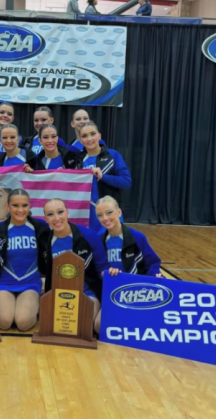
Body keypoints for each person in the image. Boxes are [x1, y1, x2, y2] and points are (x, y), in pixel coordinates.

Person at [37, 198, 109, 333]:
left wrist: (109, 297)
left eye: (60, 212)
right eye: (50, 214)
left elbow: (102, 267)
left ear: (67, 213)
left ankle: (97, 309)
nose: (56, 218)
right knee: (55, 327)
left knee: (80, 326)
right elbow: (43, 269)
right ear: (45, 218)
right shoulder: (45, 241)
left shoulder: (88, 236)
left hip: (87, 293)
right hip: (60, 294)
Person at [93, 196, 163, 334]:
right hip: (112, 293)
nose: (105, 218)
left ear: (119, 212)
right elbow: (99, 268)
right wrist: (105, 274)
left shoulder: (137, 237)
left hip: (137, 292)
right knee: (99, 326)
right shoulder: (100, 241)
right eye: (100, 215)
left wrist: (155, 275)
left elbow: (152, 263)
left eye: (109, 212)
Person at [0, 189, 49, 331]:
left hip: (30, 283)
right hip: (5, 282)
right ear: (8, 207)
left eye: (24, 205)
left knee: (23, 323)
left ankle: (34, 305)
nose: (20, 210)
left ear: (29, 207)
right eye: (15, 205)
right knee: (4, 322)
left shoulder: (40, 227)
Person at [77, 122, 131, 230]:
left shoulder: (112, 155)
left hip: (109, 214)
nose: (89, 138)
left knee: (113, 245)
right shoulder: (77, 160)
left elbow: (126, 182)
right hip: (86, 215)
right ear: (80, 140)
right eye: (84, 136)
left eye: (93, 134)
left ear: (99, 136)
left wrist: (103, 177)